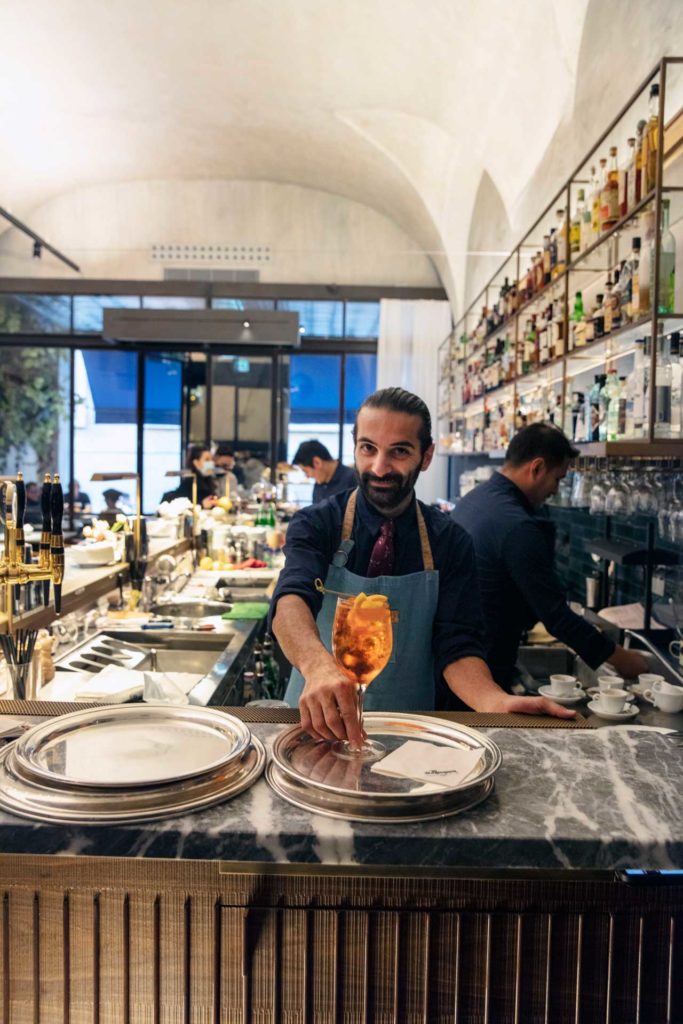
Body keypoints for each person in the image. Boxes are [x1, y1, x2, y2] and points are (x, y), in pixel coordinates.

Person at [271, 387, 573, 749]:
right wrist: (318, 667)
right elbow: (291, 599)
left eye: (399, 451)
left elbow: (457, 645)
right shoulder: (318, 523)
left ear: (426, 456)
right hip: (317, 726)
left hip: (411, 736)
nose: (380, 468)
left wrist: (494, 702)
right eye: (368, 448)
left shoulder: (449, 541)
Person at [452, 422, 648, 690]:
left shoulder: (476, 499)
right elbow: (557, 618)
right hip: (486, 661)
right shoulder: (517, 525)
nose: (556, 490)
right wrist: (624, 659)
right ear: (536, 467)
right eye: (558, 478)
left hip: (462, 657)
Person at [292, 440, 357, 504]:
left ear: (317, 462)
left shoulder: (353, 479)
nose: (307, 476)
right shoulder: (319, 484)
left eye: (306, 471)